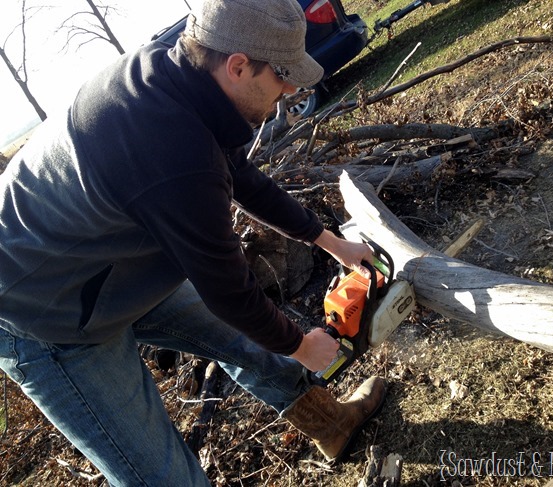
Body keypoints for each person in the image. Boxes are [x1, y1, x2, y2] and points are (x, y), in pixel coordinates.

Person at [0, 0, 387, 484]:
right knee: (160, 474)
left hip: (101, 258)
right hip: (42, 311)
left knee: (250, 338)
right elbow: (227, 289)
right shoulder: (172, 151)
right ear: (238, 65)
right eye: (283, 75)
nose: (290, 90)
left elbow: (239, 175)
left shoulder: (178, 77)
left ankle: (332, 426)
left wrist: (327, 240)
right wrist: (301, 346)